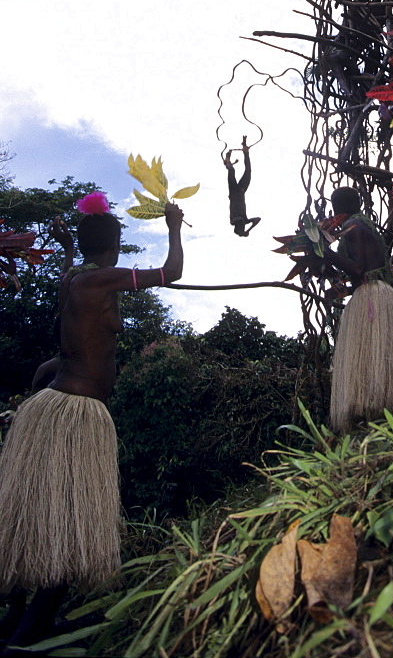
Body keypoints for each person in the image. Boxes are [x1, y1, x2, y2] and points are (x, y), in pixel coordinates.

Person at [0, 192, 184, 652]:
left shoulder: (74, 278)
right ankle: (27, 635)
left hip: (55, 406)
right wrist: (175, 226)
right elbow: (171, 273)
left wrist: (65, 247)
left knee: (44, 513)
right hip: (78, 413)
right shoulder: (102, 279)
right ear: (113, 245)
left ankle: (23, 620)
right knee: (73, 519)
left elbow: (73, 329)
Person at [325, 186, 393, 432]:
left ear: (336, 207)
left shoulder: (353, 227)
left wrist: (324, 252)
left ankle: (374, 416)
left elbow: (359, 269)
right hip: (379, 294)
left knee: (372, 358)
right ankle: (382, 415)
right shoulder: (364, 224)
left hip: (372, 298)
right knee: (377, 357)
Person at [223, 136, 260, 237]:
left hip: (234, 193)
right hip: (241, 191)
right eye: (243, 227)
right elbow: (258, 219)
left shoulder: (234, 220)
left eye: (241, 228)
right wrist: (248, 229)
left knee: (232, 171)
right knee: (248, 170)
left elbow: (254, 221)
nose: (242, 226)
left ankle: (228, 161)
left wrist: (245, 231)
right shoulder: (245, 220)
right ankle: (245, 150)